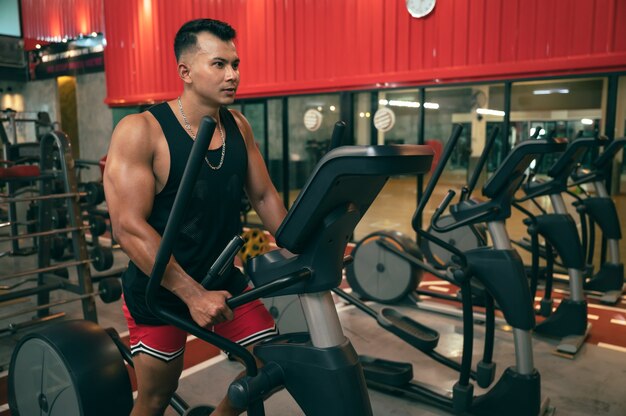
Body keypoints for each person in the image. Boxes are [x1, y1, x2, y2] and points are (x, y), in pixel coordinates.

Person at [104, 18, 287, 416]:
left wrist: (305, 245)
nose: (233, 75)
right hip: (161, 292)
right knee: (155, 397)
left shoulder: (238, 125)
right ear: (185, 71)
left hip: (221, 279)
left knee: (272, 365)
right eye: (219, 64)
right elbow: (128, 227)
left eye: (235, 64)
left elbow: (263, 194)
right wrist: (192, 295)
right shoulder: (140, 131)